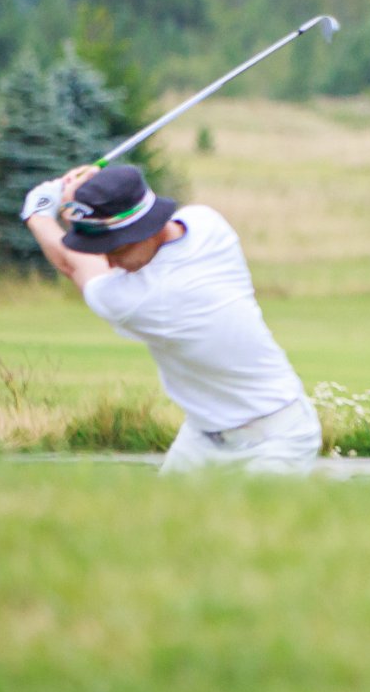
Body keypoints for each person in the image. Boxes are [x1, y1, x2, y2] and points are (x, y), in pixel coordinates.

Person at [22, 162, 322, 474]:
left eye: (116, 248)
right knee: (156, 523)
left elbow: (73, 264)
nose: (109, 258)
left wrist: (39, 210)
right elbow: (105, 240)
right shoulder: (207, 224)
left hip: (276, 441)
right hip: (202, 437)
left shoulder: (143, 301)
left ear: (147, 231)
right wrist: (84, 201)